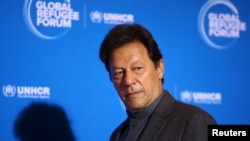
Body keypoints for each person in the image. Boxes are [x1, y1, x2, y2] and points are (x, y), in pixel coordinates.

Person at [99, 23, 217, 141]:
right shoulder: (117, 135)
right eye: (119, 73)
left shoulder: (195, 121)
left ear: (159, 68)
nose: (128, 80)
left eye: (138, 68)